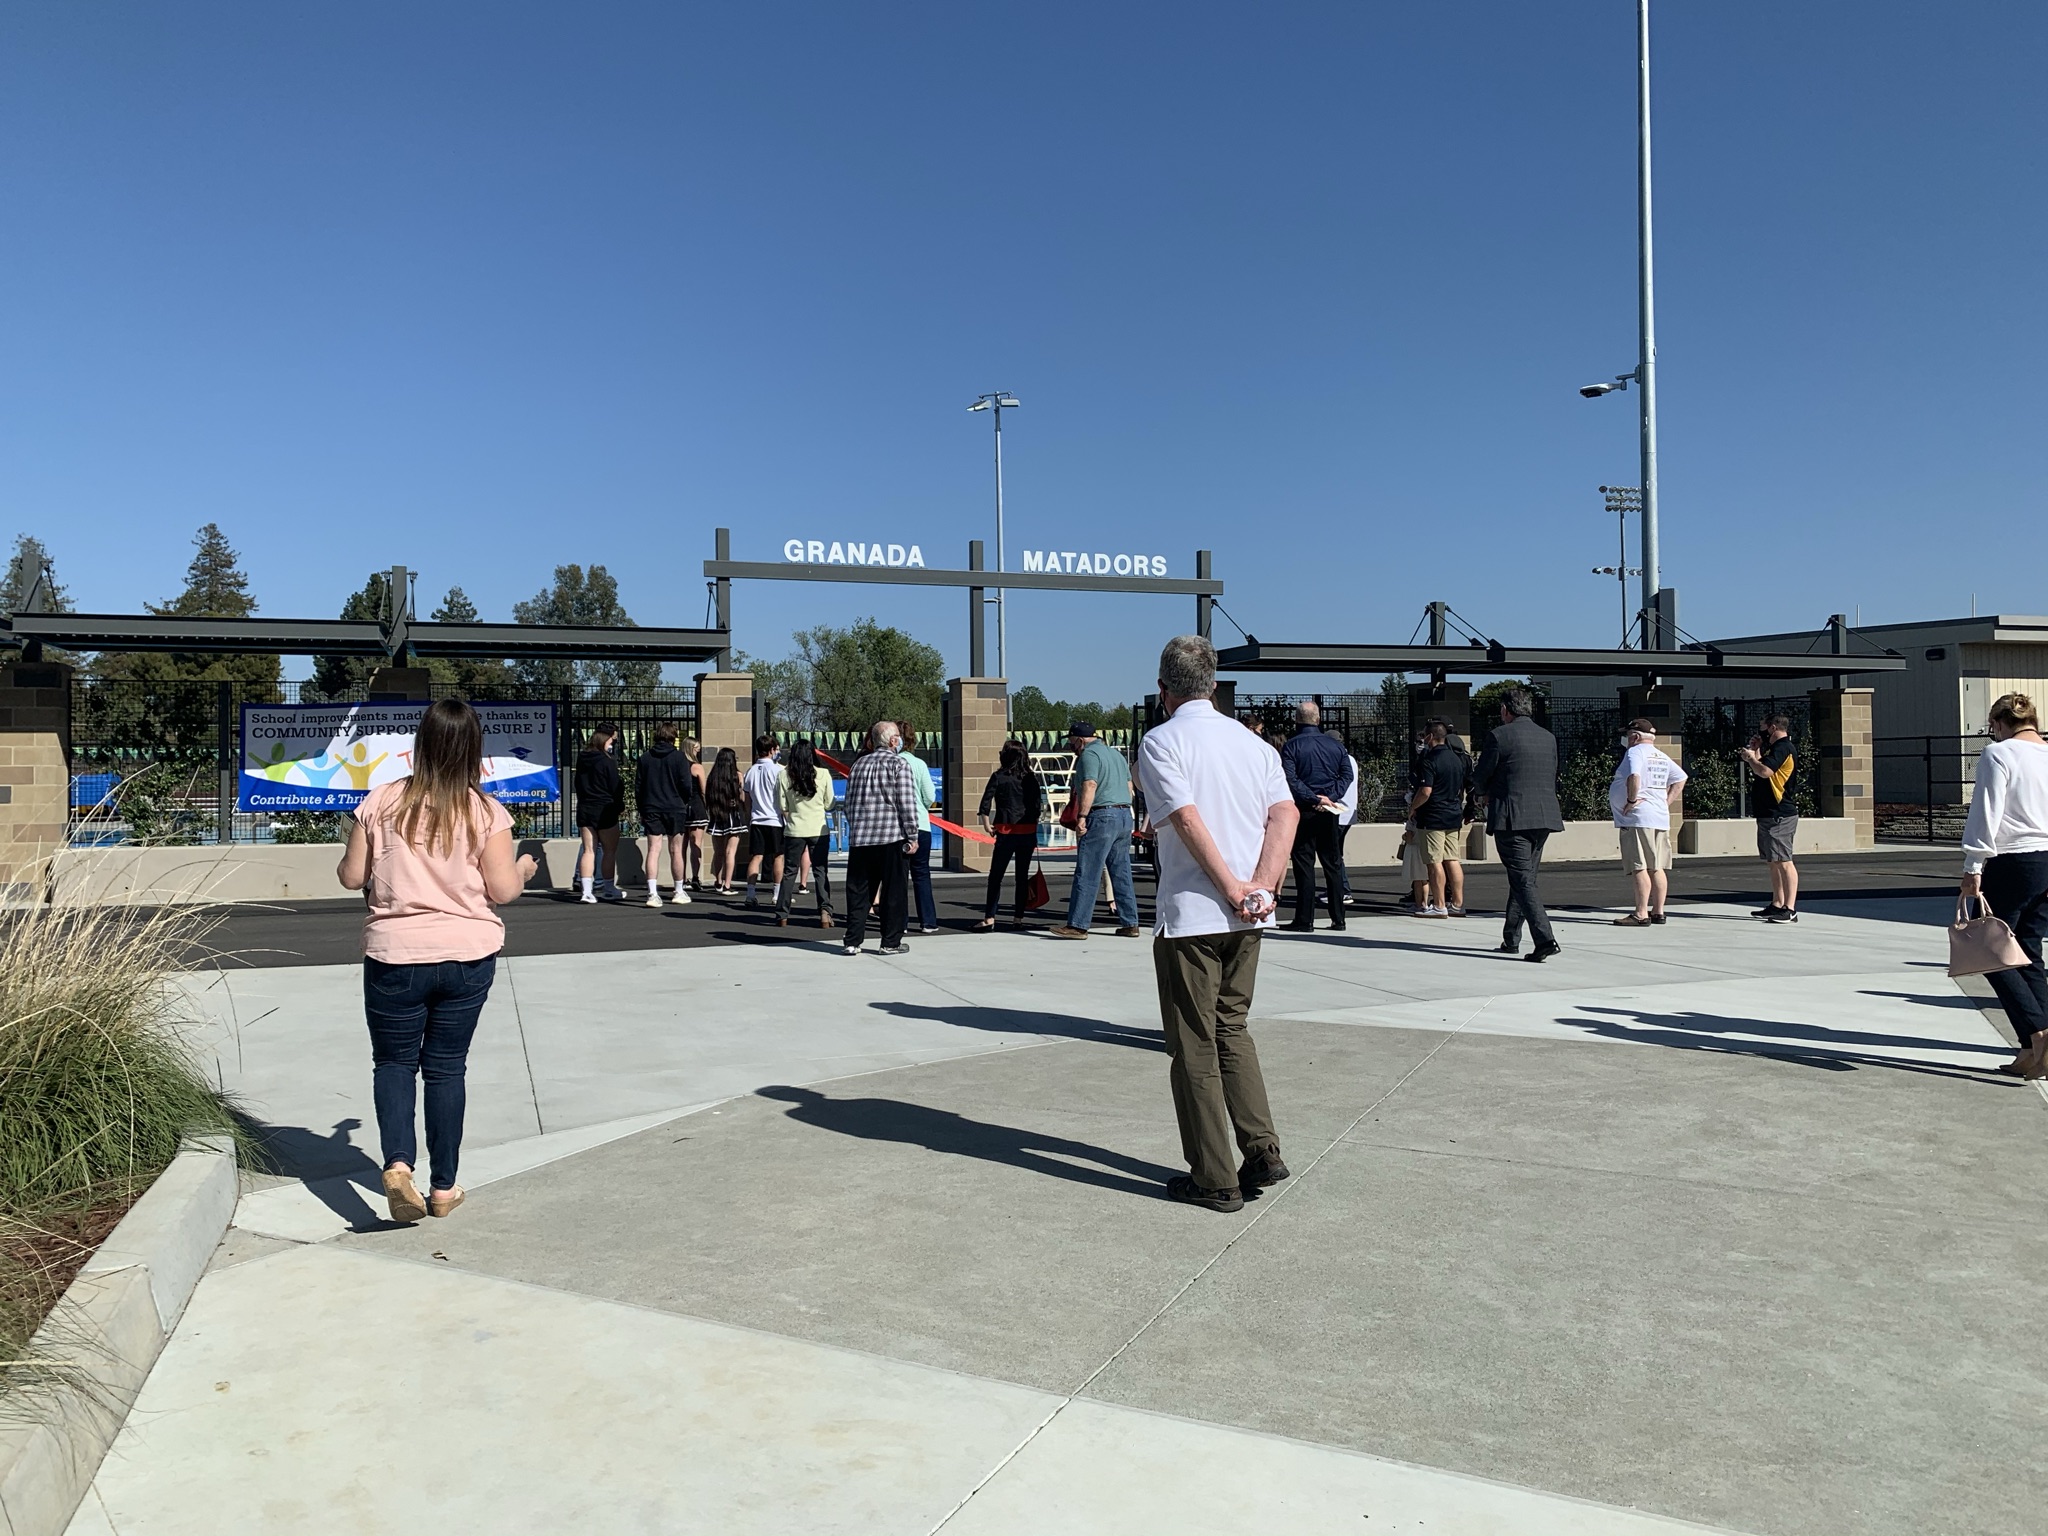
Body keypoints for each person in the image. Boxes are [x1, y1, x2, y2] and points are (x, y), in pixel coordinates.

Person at [336, 698, 536, 1224]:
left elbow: (352, 877)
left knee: (395, 1063)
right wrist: (525, 867)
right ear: (474, 750)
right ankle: (443, 1187)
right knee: (447, 1069)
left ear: (421, 744)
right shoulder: (486, 811)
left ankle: (398, 1166)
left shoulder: (381, 800)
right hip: (467, 955)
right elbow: (502, 888)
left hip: (394, 954)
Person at [1136, 635, 1298, 1213]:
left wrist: (1229, 887)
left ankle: (1213, 1176)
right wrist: (1262, 885)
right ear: (1213, 686)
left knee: (1193, 1045)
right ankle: (1263, 1148)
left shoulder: (1160, 743)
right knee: (1233, 1028)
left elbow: (1182, 816)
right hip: (1250, 915)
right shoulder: (1252, 744)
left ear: (1164, 690)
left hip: (1193, 915)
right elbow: (1285, 812)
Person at [1962, 693, 2048, 1078]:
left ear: (1997, 724)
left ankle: (2037, 1034)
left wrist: (1972, 865)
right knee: (2029, 950)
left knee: (1992, 953)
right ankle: (2034, 1049)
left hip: (2014, 859)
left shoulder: (1998, 754)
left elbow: (1986, 809)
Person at [1472, 688, 1564, 961]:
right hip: (1544, 816)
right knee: (1524, 878)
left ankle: (1545, 939)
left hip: (1512, 817)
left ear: (1505, 710)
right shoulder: (1548, 737)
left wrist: (1480, 793)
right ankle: (1511, 938)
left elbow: (1481, 775)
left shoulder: (1499, 736)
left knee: (1523, 880)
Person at [1050, 721, 1141, 940]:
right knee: (1121, 871)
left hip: (1101, 815)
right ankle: (1130, 922)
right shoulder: (1116, 755)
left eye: (1071, 742)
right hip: (1122, 814)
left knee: (1087, 870)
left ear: (1080, 740)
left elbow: (1089, 784)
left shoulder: (1089, 756)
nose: (1071, 746)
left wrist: (1082, 816)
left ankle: (1078, 925)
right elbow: (1130, 787)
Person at [840, 720, 920, 956]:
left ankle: (853, 940)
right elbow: (906, 803)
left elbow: (849, 804)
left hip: (862, 838)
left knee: (859, 891)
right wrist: (912, 835)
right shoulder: (899, 764)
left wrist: (855, 828)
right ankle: (890, 942)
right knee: (894, 891)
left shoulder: (858, 765)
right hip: (892, 837)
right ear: (894, 741)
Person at [1279, 700, 1352, 932]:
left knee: (1304, 865)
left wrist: (1313, 798)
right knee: (1332, 863)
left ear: (1296, 719)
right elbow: (1346, 775)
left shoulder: (1291, 747)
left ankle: (1304, 919)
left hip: (1303, 812)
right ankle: (1339, 919)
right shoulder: (1335, 746)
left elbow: (1291, 779)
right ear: (1318, 720)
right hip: (1329, 812)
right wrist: (1328, 797)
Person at [1609, 719, 1688, 927]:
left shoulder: (1635, 752)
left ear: (1635, 736)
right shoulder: (1660, 755)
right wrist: (1665, 802)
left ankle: (1641, 913)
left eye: (1627, 735)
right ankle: (1658, 911)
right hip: (1659, 818)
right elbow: (1680, 778)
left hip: (1638, 819)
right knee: (1657, 866)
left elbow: (1634, 775)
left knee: (1639, 866)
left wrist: (1632, 800)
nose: (1626, 739)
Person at [1740, 715, 1801, 923]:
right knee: (1773, 861)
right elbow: (1762, 770)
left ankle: (1789, 908)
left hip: (1780, 814)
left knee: (1784, 861)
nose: (1762, 731)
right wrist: (1756, 752)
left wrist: (1750, 758)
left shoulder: (1783, 748)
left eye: (1763, 728)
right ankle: (1777, 903)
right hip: (1767, 813)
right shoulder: (1773, 750)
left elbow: (1765, 772)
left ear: (1773, 727)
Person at [977, 740, 1044, 930]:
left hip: (1006, 830)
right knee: (1021, 876)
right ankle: (1018, 918)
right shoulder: (1031, 778)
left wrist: (987, 825)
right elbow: (1037, 806)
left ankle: (990, 917)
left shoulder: (999, 776)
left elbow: (985, 803)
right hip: (1027, 831)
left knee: (996, 876)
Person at [1407, 720, 1469, 918]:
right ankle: (1457, 904)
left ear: (1430, 737)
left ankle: (1440, 904)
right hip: (1453, 814)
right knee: (1452, 859)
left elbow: (1425, 791)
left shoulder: (1429, 760)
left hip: (1433, 817)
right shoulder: (1457, 759)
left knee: (1434, 862)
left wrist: (1413, 807)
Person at [775, 739, 836, 929]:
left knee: (789, 872)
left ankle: (782, 914)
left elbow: (782, 805)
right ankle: (825, 912)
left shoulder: (783, 775)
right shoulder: (824, 774)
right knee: (820, 871)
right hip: (818, 829)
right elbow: (830, 804)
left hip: (794, 829)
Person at [635, 722, 695, 908]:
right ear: (673, 737)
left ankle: (652, 894)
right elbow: (686, 785)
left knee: (653, 850)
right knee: (676, 850)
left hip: (652, 807)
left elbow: (639, 787)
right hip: (675, 807)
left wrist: (642, 808)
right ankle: (678, 890)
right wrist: (683, 801)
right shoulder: (679, 758)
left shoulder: (645, 758)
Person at [572, 723, 625, 904]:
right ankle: (609, 887)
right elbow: (615, 786)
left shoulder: (582, 758)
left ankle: (587, 891)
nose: (613, 743)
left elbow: (577, 783)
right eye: (613, 739)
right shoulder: (607, 761)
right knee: (609, 850)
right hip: (605, 809)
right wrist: (619, 806)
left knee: (588, 850)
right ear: (606, 738)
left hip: (585, 807)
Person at [898, 725, 940, 934]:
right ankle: (928, 921)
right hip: (921, 824)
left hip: (897, 828)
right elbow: (930, 796)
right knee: (922, 874)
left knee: (899, 877)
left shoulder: (892, 763)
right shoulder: (919, 764)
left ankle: (900, 922)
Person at [742, 734, 785, 909]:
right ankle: (777, 894)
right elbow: (783, 798)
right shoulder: (778, 771)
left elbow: (746, 798)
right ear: (771, 750)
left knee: (756, 857)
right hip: (775, 820)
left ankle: (750, 894)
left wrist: (749, 816)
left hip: (757, 819)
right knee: (778, 856)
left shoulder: (750, 771)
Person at [703, 746, 748, 894]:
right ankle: (727, 885)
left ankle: (718, 881)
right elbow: (742, 797)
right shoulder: (737, 775)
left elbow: (708, 796)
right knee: (730, 852)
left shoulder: (713, 777)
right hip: (733, 814)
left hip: (717, 814)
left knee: (719, 851)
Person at [680, 736, 711, 890]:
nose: (698, 751)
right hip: (696, 806)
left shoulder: (677, 765)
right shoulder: (697, 767)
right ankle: (695, 878)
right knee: (696, 844)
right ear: (691, 749)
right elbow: (704, 790)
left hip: (680, 807)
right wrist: (708, 807)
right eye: (696, 748)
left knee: (681, 846)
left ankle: (681, 878)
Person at [1336, 748, 1363, 907]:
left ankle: (1343, 890)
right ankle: (1340, 888)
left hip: (1339, 813)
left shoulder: (1339, 759)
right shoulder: (1350, 759)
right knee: (1336, 853)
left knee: (1334, 855)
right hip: (1349, 812)